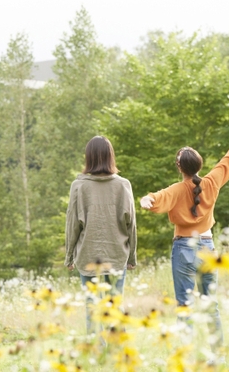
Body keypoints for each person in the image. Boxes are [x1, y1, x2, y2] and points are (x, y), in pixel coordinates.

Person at [140, 127, 229, 360]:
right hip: (208, 249)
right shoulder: (211, 183)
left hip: (184, 250)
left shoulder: (177, 189)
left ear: (179, 167)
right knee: (211, 306)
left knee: (185, 306)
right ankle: (218, 358)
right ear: (199, 166)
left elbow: (155, 200)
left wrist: (146, 200)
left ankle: (188, 359)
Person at [65, 136, 137, 333]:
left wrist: (69, 256)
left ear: (88, 157)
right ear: (110, 156)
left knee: (92, 308)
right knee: (115, 307)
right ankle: (117, 353)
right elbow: (131, 224)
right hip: (116, 255)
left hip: (88, 255)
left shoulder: (78, 186)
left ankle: (96, 354)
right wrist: (132, 257)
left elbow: (72, 224)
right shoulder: (123, 185)